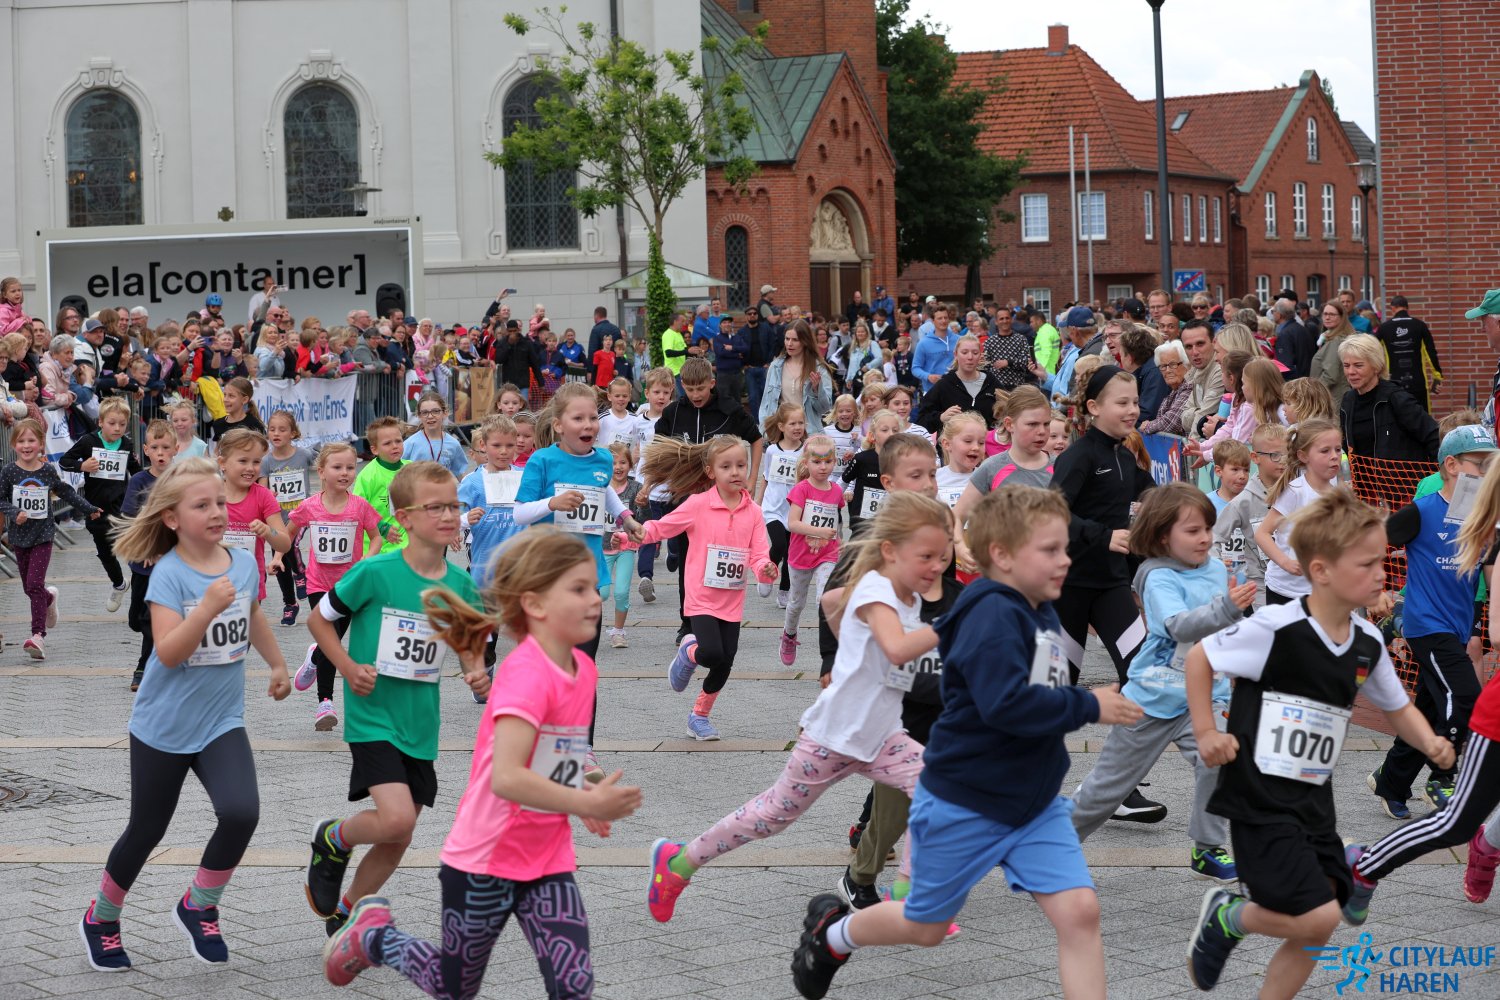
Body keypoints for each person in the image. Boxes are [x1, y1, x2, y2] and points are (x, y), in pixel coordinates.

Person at [790, 485, 1144, 1000]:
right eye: (1050, 550)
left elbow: (1041, 693)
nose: (1065, 560)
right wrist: (1090, 704)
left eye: (1065, 548)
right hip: (964, 801)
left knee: (1080, 913)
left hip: (1032, 804)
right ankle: (834, 935)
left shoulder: (1041, 608)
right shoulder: (992, 614)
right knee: (924, 926)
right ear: (1002, 554)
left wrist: (1073, 703)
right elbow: (1005, 704)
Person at [320, 528, 641, 996]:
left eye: (594, 586)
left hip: (547, 861)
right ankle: (375, 938)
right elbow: (507, 777)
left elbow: (553, 753)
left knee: (574, 986)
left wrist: (584, 790)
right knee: (454, 987)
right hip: (483, 862)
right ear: (534, 604)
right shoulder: (526, 673)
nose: (595, 599)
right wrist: (582, 801)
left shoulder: (584, 669)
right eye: (578, 589)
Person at [1183, 489, 1450, 996]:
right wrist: (1207, 732)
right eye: (1367, 564)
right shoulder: (1276, 627)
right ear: (1322, 570)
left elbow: (1398, 707)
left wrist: (1431, 743)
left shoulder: (1367, 642)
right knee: (1318, 915)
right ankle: (1230, 916)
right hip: (1258, 798)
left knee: (1321, 920)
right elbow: (1201, 658)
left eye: (1382, 562)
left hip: (1313, 801)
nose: (1381, 574)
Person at [646, 492, 949, 926]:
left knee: (934, 787)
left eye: (943, 557)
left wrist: (850, 653)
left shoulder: (911, 599)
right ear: (890, 551)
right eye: (927, 557)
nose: (937, 568)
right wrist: (951, 623)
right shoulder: (877, 590)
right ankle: (678, 863)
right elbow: (898, 648)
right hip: (833, 736)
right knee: (772, 817)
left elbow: (831, 602)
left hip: (882, 736)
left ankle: (908, 898)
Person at [78, 458, 291, 972]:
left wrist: (278, 663)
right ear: (172, 518)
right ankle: (101, 917)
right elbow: (169, 652)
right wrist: (206, 609)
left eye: (220, 502)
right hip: (163, 727)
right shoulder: (169, 574)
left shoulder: (240, 564)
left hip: (221, 721)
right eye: (202, 505)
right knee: (147, 829)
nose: (217, 512)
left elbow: (253, 615)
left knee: (241, 812)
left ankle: (200, 904)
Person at [303, 462, 492, 937]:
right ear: (404, 518)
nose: (448, 515)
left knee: (400, 835)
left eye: (453, 506)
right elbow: (319, 621)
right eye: (435, 507)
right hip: (373, 715)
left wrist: (474, 671)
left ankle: (346, 913)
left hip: (420, 723)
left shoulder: (461, 584)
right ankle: (333, 837)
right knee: (396, 817)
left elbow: (469, 642)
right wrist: (347, 668)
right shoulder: (375, 572)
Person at [1069, 483, 1251, 884]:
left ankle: (1207, 849)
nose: (1204, 537)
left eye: (1208, 528)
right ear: (1163, 535)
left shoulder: (1216, 569)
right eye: (1193, 530)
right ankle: (1053, 843)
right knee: (1107, 790)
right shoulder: (1157, 577)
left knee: (1218, 763)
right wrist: (1228, 608)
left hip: (1206, 697)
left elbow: (1221, 630)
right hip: (1151, 698)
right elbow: (1178, 626)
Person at [1364, 425, 1493, 822]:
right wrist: (1375, 591)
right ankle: (1444, 775)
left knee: (1433, 708)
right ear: (1451, 466)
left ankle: (1390, 781)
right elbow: (1369, 543)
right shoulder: (1422, 511)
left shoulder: (1484, 518)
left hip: (1458, 625)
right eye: (1480, 464)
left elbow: (1491, 573)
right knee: (1465, 697)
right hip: (1425, 624)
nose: (1488, 473)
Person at [512, 383, 645, 771]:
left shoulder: (603, 458)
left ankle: (583, 747)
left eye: (592, 418)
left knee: (584, 668)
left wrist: (626, 519)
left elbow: (605, 492)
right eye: (578, 418)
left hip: (588, 577)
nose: (588, 424)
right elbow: (519, 513)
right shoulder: (542, 461)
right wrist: (551, 503)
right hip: (549, 579)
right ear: (558, 425)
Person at [634, 435, 777, 740]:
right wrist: (634, 535)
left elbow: (759, 554)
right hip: (701, 596)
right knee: (711, 653)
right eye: (726, 466)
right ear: (711, 472)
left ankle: (698, 717)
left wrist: (766, 569)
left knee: (725, 662)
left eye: (741, 465)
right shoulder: (698, 504)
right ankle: (689, 652)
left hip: (732, 600)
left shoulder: (754, 512)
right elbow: (662, 527)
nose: (735, 472)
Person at [287, 443, 384, 731]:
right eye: (337, 467)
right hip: (319, 584)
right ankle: (325, 703)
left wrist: (368, 558)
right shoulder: (310, 505)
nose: (345, 473)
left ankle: (314, 657)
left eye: (350, 467)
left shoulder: (360, 506)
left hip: (350, 586)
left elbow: (376, 537)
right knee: (332, 641)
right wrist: (278, 556)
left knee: (331, 642)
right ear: (321, 472)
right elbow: (288, 534)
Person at [0, 417, 100, 658]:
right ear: (13, 445)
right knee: (29, 588)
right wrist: (14, 513)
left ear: (41, 444)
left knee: (34, 584)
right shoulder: (9, 472)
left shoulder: (46, 470)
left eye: (31, 441)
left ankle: (38, 636)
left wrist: (88, 508)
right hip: (19, 536)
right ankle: (50, 597)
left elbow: (64, 491)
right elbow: (1, 499)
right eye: (21, 441)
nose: (26, 446)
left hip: (43, 535)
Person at [58, 396, 140, 611]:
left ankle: (141, 593)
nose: (117, 428)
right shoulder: (88, 441)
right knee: (106, 553)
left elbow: (136, 472)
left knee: (133, 550)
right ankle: (119, 584)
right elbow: (64, 461)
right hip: (96, 509)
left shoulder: (126, 444)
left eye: (122, 424)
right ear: (101, 422)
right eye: (112, 423)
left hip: (122, 508)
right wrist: (82, 466)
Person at [1254, 419, 1343, 606]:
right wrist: (1285, 562)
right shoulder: (1295, 491)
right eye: (1325, 451)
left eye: (1338, 449)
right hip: (1285, 591)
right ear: (1303, 456)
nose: (1335, 456)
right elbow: (1262, 534)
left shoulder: (1339, 492)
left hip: (1321, 590)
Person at [779, 434, 844, 664]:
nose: (823, 467)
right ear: (806, 463)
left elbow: (836, 519)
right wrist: (818, 532)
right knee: (796, 604)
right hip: (800, 555)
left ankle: (832, 647)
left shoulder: (836, 491)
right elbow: (792, 523)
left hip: (828, 554)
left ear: (835, 461)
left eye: (828, 461)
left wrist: (839, 540)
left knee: (824, 599)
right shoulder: (801, 489)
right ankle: (789, 634)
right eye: (817, 462)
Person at [1338, 332, 1440, 463]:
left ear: (1376, 366)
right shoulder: (1348, 401)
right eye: (1346, 365)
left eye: (1358, 365)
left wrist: (1436, 473)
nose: (1351, 372)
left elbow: (1433, 436)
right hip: (1360, 476)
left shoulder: (1396, 399)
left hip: (1401, 476)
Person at [1213, 423, 1285, 603]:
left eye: (1287, 454)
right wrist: (1218, 571)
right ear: (1255, 457)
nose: (1283, 461)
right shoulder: (1243, 502)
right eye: (1275, 455)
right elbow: (1214, 538)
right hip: (1261, 587)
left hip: (1295, 583)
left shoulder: (1295, 491)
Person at [260, 410, 314, 626]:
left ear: (293, 433)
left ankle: (300, 573)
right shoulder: (266, 461)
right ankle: (290, 604)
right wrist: (269, 495)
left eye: (282, 430)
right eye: (272, 429)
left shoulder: (304, 455)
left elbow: (324, 463)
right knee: (279, 560)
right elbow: (262, 490)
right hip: (277, 518)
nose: (276, 433)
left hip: (301, 514)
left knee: (291, 543)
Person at [754, 403, 808, 607]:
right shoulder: (772, 451)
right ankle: (766, 573)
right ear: (781, 426)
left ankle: (785, 590)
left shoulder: (806, 451)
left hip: (796, 510)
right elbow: (766, 476)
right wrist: (758, 502)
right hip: (773, 508)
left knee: (791, 554)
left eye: (801, 423)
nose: (797, 427)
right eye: (792, 423)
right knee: (779, 545)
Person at [630, 369, 676, 604]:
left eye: (666, 392)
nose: (661, 397)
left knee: (675, 536)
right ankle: (645, 577)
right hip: (646, 488)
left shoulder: (675, 419)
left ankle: (674, 554)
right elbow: (636, 449)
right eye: (657, 392)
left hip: (672, 487)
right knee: (647, 532)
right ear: (647, 393)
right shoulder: (638, 422)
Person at [915, 335, 1002, 432]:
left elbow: (1009, 413)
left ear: (980, 356)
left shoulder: (991, 382)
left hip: (985, 440)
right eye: (964, 352)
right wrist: (940, 417)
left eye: (975, 353)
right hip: (952, 441)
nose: (970, 357)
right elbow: (921, 420)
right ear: (955, 355)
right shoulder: (944, 384)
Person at [760, 320, 833, 434]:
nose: (789, 344)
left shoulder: (818, 368)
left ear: (805, 341)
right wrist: (764, 430)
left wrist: (816, 390)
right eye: (787, 339)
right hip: (781, 432)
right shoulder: (775, 366)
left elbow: (824, 409)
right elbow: (765, 404)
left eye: (795, 340)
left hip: (808, 433)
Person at [601, 442, 639, 650]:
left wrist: (626, 533)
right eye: (613, 463)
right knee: (601, 593)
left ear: (630, 465)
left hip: (627, 548)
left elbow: (642, 519)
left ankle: (618, 632)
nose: (618, 467)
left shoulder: (636, 488)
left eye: (623, 462)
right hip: (603, 547)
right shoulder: (599, 487)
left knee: (621, 592)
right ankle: (587, 627)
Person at [353, 417, 411, 554]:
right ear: (375, 450)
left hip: (408, 546)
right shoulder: (368, 476)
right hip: (377, 549)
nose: (395, 446)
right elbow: (356, 509)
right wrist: (381, 527)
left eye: (398, 441)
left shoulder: (412, 469)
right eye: (387, 443)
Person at [402, 392, 469, 478]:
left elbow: (460, 473)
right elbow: (397, 472)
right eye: (425, 412)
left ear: (445, 413)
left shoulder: (453, 444)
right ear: (419, 415)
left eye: (435, 411)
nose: (430, 416)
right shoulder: (410, 444)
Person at [1178, 321, 1224, 441]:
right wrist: (1197, 413)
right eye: (1189, 347)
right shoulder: (1196, 371)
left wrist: (1191, 446)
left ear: (1214, 342)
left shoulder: (1220, 370)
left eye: (1200, 344)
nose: (1195, 352)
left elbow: (1203, 417)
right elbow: (1183, 419)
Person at [1309, 300, 1355, 403]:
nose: (1327, 317)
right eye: (1325, 314)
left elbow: (1330, 376)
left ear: (1342, 317)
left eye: (1332, 314)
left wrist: (1313, 392)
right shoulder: (1331, 337)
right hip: (1333, 396)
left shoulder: (1336, 340)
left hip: (1333, 398)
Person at [207, 377, 266, 448]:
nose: (225, 399)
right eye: (224, 395)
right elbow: (218, 450)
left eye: (231, 396)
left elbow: (261, 450)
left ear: (244, 400)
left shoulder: (254, 425)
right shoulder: (218, 424)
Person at [911, 305, 959, 390]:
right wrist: (928, 376)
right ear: (933, 321)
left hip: (956, 389)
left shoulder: (959, 340)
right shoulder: (923, 343)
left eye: (945, 318)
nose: (943, 321)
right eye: (940, 318)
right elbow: (915, 368)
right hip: (932, 390)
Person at [709, 314, 749, 405]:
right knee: (723, 399)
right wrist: (737, 354)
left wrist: (732, 348)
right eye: (724, 322)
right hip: (723, 374)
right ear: (720, 325)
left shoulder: (737, 337)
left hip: (737, 373)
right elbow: (721, 352)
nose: (727, 324)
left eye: (729, 322)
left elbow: (745, 349)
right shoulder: (717, 339)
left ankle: (737, 415)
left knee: (737, 399)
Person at [1272, 298, 1315, 379]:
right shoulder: (1302, 328)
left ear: (1279, 314)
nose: (1272, 314)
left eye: (1273, 311)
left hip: (1294, 381)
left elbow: (1285, 366)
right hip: (1306, 378)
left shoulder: (1285, 334)